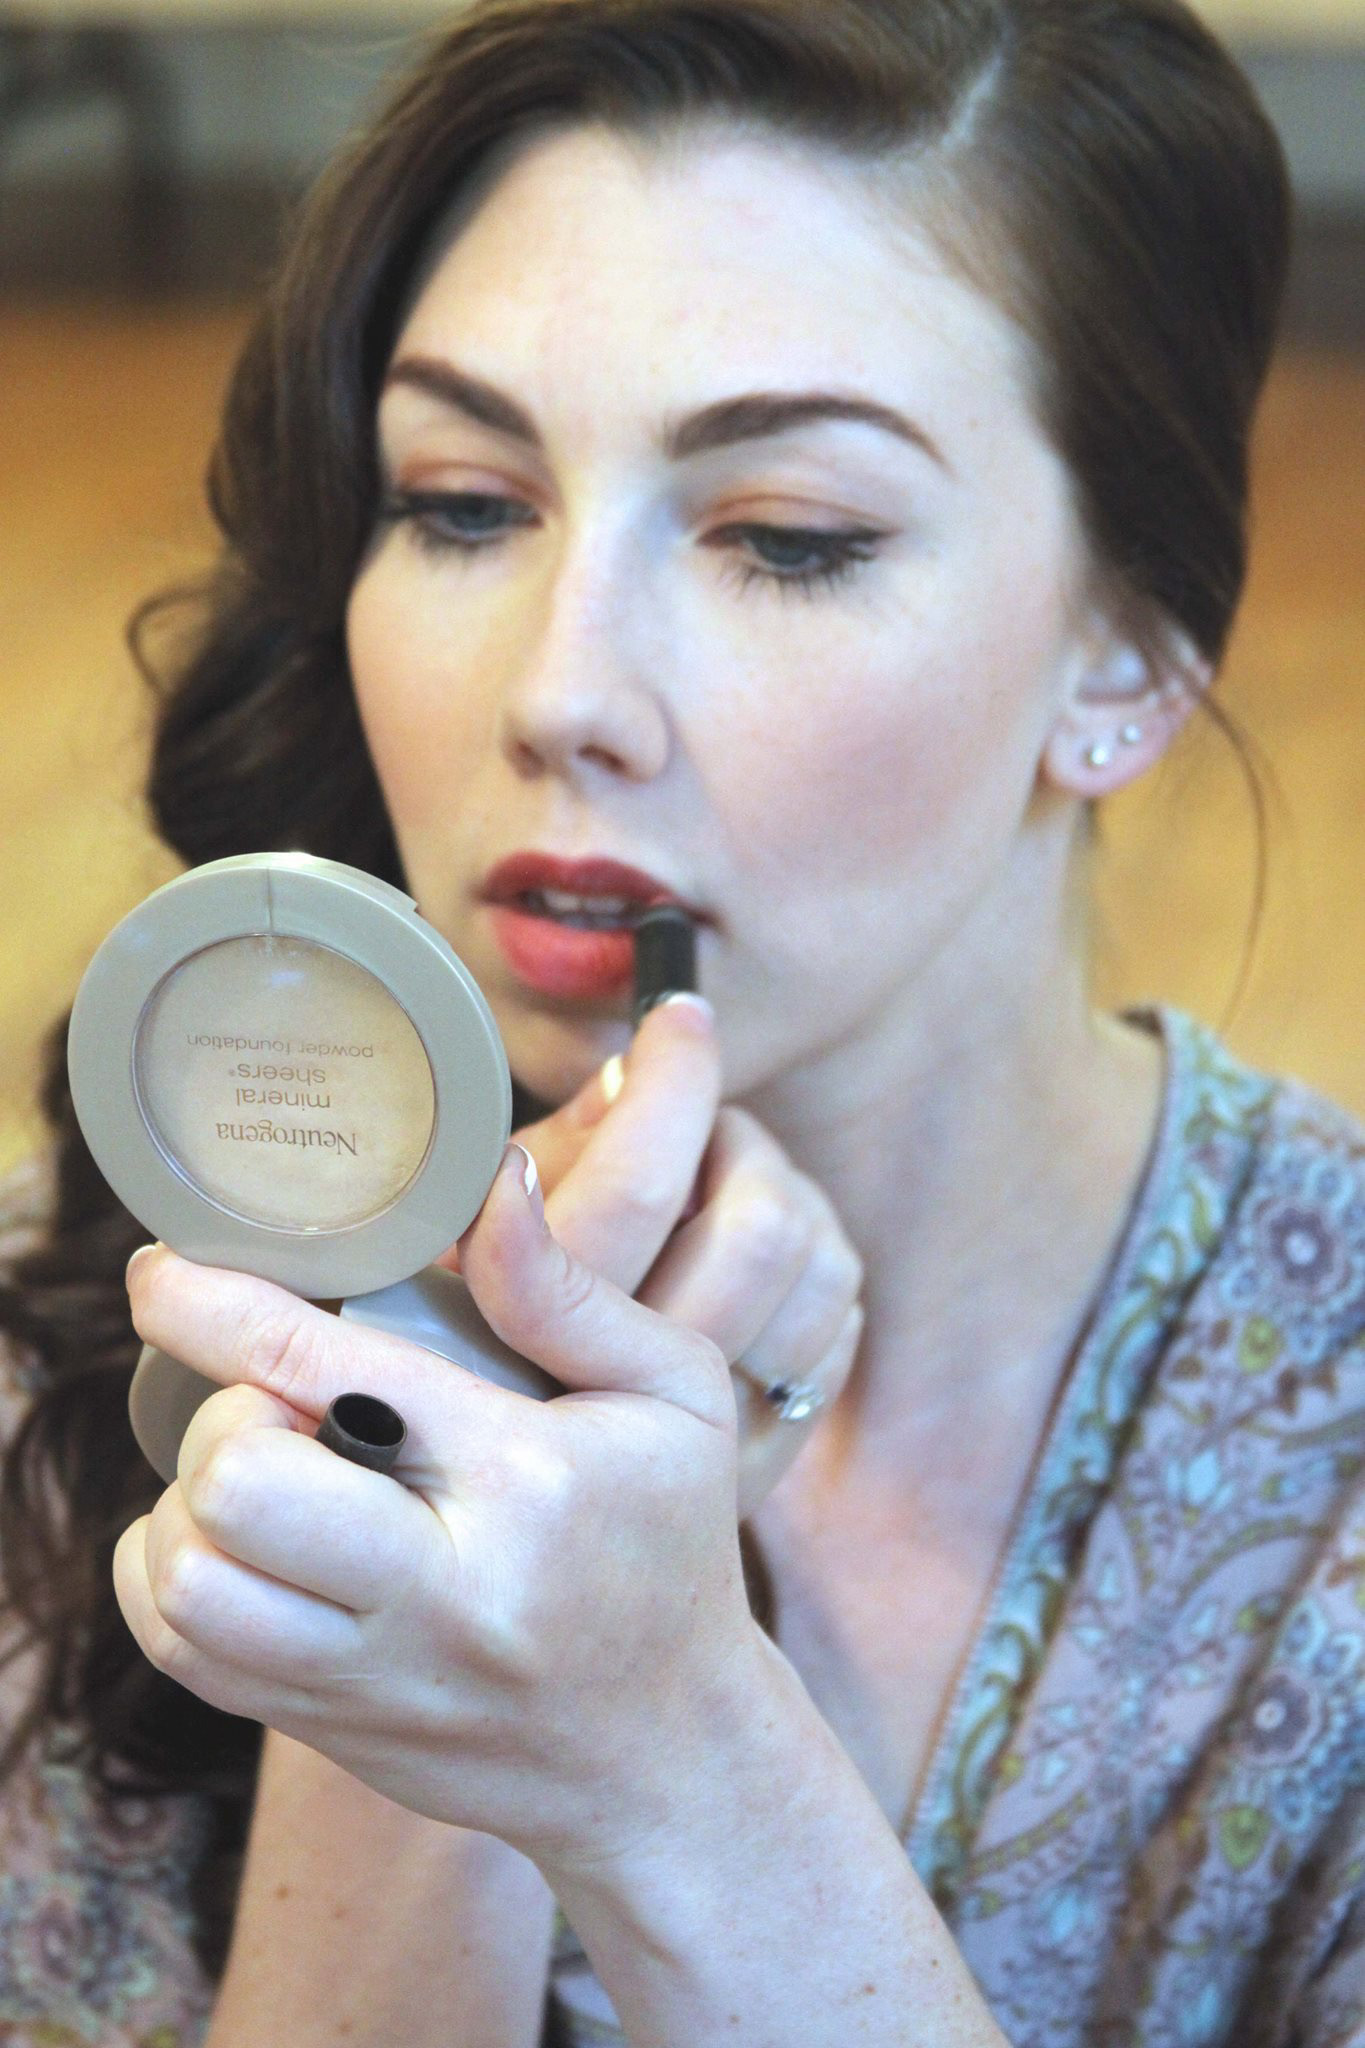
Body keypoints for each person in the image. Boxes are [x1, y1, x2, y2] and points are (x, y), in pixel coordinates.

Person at [3, 0, 1362, 2041]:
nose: (559, 691)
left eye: (785, 540)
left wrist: (667, 1758)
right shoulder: (87, 1326)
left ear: (1131, 654)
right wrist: (405, 1556)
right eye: (461, 503)